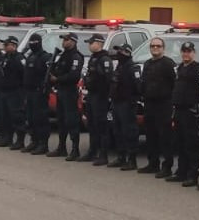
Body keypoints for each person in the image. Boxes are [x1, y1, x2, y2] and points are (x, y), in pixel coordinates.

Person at [167, 40, 199, 186]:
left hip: (191, 111)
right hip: (179, 110)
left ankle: (192, 174)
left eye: (189, 51)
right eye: (184, 51)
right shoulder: (180, 68)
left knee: (192, 144)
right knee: (180, 142)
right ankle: (181, 172)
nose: (186, 54)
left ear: (193, 53)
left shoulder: (198, 68)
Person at [138, 36, 176, 177]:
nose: (155, 48)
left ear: (163, 48)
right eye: (153, 46)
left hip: (164, 104)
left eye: (158, 46)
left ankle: (167, 167)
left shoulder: (168, 64)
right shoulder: (147, 64)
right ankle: (153, 164)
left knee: (165, 137)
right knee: (151, 135)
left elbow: (175, 84)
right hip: (149, 104)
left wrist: (172, 102)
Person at [49, 32, 84, 160]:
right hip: (61, 91)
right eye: (63, 39)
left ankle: (75, 149)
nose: (64, 42)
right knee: (61, 120)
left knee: (72, 121)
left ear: (73, 41)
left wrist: (57, 79)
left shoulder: (76, 57)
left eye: (66, 40)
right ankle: (61, 147)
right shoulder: (63, 55)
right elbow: (57, 70)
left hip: (70, 92)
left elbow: (74, 75)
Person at [107, 42, 139, 170]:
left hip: (127, 104)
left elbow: (137, 87)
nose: (118, 54)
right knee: (117, 130)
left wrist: (132, 100)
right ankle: (121, 157)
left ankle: (132, 160)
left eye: (121, 51)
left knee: (129, 131)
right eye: (117, 51)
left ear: (127, 53)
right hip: (117, 102)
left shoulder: (132, 68)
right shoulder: (119, 66)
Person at [81, 34, 112, 164]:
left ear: (99, 44)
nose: (89, 45)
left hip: (100, 96)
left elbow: (107, 79)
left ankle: (103, 154)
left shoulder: (104, 59)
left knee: (101, 126)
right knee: (92, 125)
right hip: (92, 95)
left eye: (91, 42)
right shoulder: (94, 58)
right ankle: (92, 151)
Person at [21, 33, 52, 154]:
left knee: (41, 118)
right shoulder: (31, 56)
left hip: (40, 92)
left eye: (34, 42)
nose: (32, 45)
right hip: (29, 92)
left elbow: (48, 74)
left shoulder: (45, 57)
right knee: (30, 117)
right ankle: (34, 141)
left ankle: (43, 144)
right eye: (31, 42)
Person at [0, 37, 25, 148]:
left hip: (15, 91)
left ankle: (20, 140)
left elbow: (24, 73)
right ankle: (7, 138)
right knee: (5, 116)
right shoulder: (5, 57)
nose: (5, 47)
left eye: (7, 45)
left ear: (13, 46)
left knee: (16, 116)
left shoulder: (19, 58)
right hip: (4, 91)